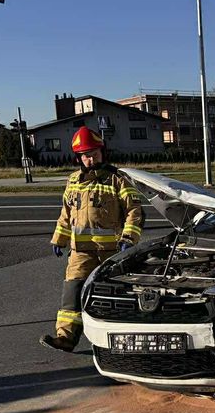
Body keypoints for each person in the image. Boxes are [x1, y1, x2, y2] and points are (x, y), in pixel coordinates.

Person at [40, 127, 144, 352]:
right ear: (79, 157)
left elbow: (134, 211)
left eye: (94, 153)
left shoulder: (118, 180)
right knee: (72, 294)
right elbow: (66, 213)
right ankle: (65, 337)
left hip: (112, 251)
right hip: (81, 252)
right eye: (86, 155)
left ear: (102, 152)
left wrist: (129, 238)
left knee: (117, 295)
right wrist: (59, 239)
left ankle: (122, 341)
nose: (90, 158)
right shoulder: (73, 181)